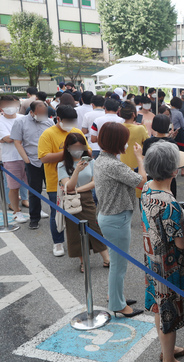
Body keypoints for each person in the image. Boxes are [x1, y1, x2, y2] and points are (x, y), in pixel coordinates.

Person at [141, 141, 184, 362]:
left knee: (159, 308)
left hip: (152, 260)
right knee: (169, 313)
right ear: (173, 172)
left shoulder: (146, 189)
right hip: (169, 266)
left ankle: (167, 351)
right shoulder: (169, 203)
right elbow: (181, 243)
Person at [94, 122, 146, 318]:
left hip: (110, 216)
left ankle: (115, 296)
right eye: (124, 140)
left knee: (117, 262)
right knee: (118, 264)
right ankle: (117, 304)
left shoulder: (102, 159)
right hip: (116, 219)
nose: (126, 144)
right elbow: (142, 180)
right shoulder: (113, 164)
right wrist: (140, 160)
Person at [39, 105, 86, 256]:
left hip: (78, 180)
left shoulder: (77, 132)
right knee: (57, 213)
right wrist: (67, 153)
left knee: (80, 211)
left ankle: (81, 240)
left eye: (73, 121)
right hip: (56, 182)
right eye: (67, 121)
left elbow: (88, 150)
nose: (71, 124)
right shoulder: (48, 134)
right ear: (58, 119)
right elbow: (44, 157)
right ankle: (58, 243)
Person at [57, 133, 109, 272]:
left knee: (94, 226)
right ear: (68, 148)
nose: (78, 149)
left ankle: (106, 258)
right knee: (75, 231)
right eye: (74, 147)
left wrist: (78, 189)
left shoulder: (91, 162)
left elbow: (94, 182)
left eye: (80, 146)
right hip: (70, 200)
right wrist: (77, 171)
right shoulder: (62, 165)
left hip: (86, 197)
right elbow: (69, 186)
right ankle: (83, 261)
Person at [11, 100, 52, 229]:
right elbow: (17, 142)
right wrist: (26, 160)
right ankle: (34, 219)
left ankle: (58, 216)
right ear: (32, 112)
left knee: (53, 191)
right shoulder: (20, 122)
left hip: (49, 161)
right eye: (40, 113)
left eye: (44, 112)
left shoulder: (49, 122)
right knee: (34, 192)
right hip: (32, 161)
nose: (42, 115)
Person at [0, 95, 29, 223]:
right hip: (11, 158)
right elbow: (7, 138)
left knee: (32, 185)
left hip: (28, 156)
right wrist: (23, 136)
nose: (11, 108)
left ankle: (35, 208)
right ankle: (16, 211)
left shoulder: (24, 118)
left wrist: (15, 137)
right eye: (7, 105)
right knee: (13, 186)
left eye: (13, 105)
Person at [120, 102, 149, 170]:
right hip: (137, 163)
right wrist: (143, 125)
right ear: (133, 114)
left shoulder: (119, 127)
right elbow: (147, 141)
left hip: (123, 162)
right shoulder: (140, 128)